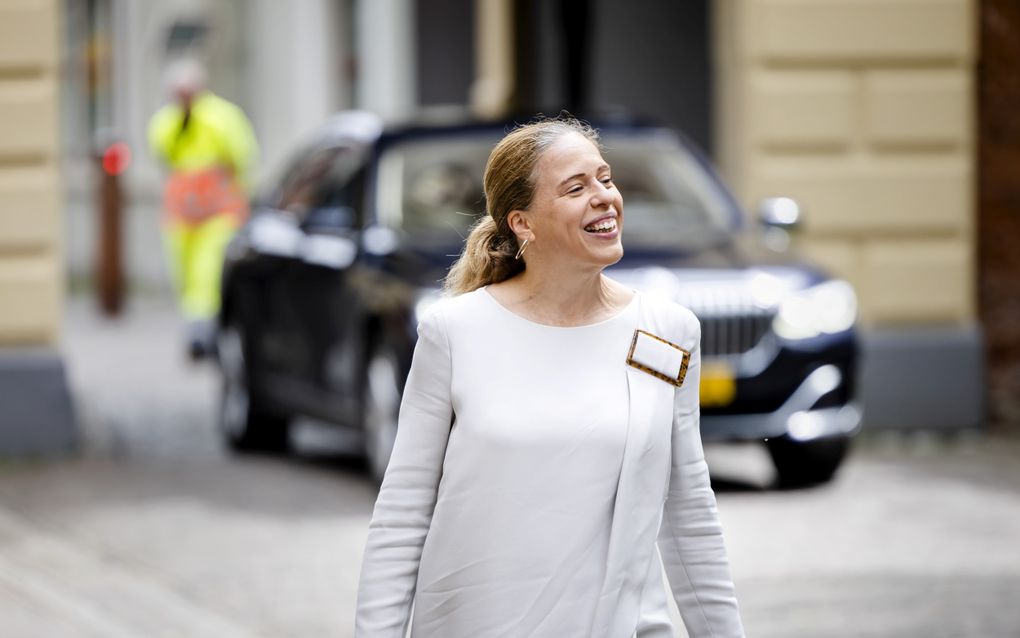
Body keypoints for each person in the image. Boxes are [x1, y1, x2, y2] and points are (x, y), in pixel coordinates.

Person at [355, 116, 745, 637]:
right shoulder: (455, 332)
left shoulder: (668, 332)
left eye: (605, 179)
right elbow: (402, 517)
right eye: (576, 187)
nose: (605, 197)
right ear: (522, 222)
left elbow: (689, 511)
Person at [147, 58, 258, 358]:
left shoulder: (221, 117)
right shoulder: (167, 121)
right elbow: (162, 151)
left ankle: (203, 335)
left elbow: (242, 157)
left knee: (207, 274)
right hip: (182, 217)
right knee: (185, 275)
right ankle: (198, 328)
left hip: (217, 214)